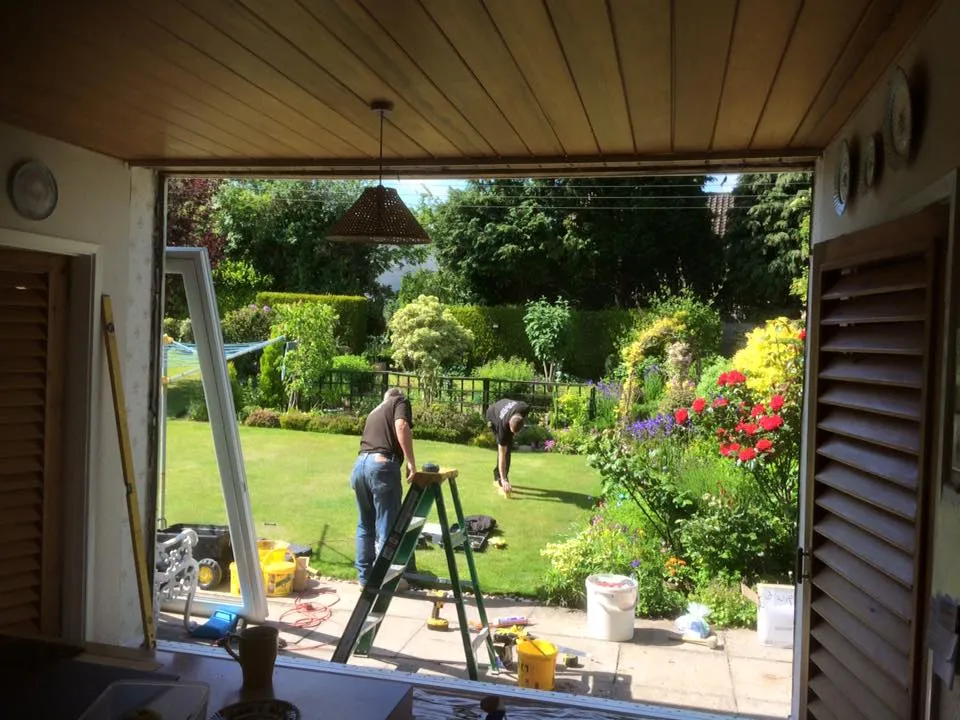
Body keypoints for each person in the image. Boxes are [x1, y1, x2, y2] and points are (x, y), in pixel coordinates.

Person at [350, 388, 417, 587]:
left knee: (365, 524)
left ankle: (364, 578)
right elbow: (402, 426)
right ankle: (386, 580)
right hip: (381, 465)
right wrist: (411, 462)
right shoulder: (399, 401)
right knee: (386, 526)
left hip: (360, 465)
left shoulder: (374, 411)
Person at [485, 398, 530, 495]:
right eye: (513, 432)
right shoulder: (503, 428)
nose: (515, 435)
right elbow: (502, 454)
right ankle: (502, 481)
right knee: (505, 450)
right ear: (509, 424)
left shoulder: (524, 408)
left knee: (508, 447)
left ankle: (500, 477)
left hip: (503, 405)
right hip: (492, 416)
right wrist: (504, 479)